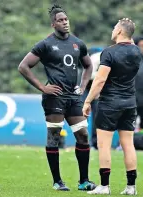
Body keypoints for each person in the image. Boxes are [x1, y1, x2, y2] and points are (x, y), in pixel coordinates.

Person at [18, 4, 96, 192]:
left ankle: (84, 181)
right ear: (53, 24)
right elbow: (23, 66)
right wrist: (43, 87)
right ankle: (57, 181)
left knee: (83, 136)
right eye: (60, 20)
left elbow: (88, 66)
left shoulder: (78, 43)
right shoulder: (45, 44)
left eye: (66, 19)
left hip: (74, 97)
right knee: (54, 137)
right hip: (55, 98)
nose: (65, 22)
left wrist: (83, 87)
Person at [83, 18, 142, 195]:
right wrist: (129, 30)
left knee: (104, 145)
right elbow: (129, 42)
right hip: (130, 103)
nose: (112, 29)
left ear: (119, 32)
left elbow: (100, 80)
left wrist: (87, 101)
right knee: (128, 145)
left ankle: (104, 186)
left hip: (110, 103)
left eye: (115, 27)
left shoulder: (108, 53)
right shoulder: (136, 51)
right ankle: (131, 187)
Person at [82, 51, 102, 150]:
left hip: (99, 88)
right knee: (83, 116)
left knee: (97, 117)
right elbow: (90, 75)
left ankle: (95, 142)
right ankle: (83, 141)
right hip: (89, 87)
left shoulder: (98, 57)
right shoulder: (94, 58)